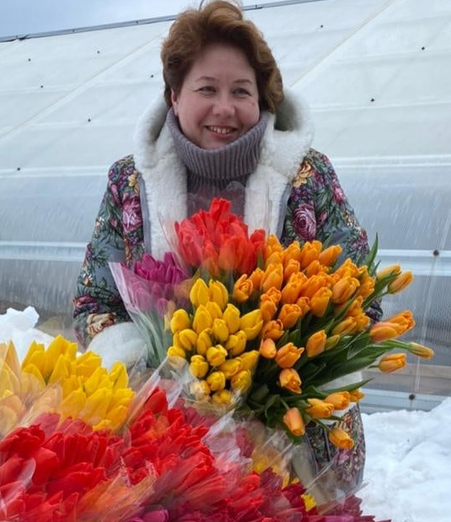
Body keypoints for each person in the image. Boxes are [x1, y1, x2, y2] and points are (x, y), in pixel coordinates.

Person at [72, 0, 370, 492]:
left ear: (263, 100)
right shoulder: (131, 182)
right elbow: (94, 300)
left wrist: (280, 376)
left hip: (292, 430)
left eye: (241, 91)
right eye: (206, 89)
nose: (224, 109)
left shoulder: (306, 176)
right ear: (174, 95)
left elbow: (361, 296)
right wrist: (152, 368)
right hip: (160, 426)